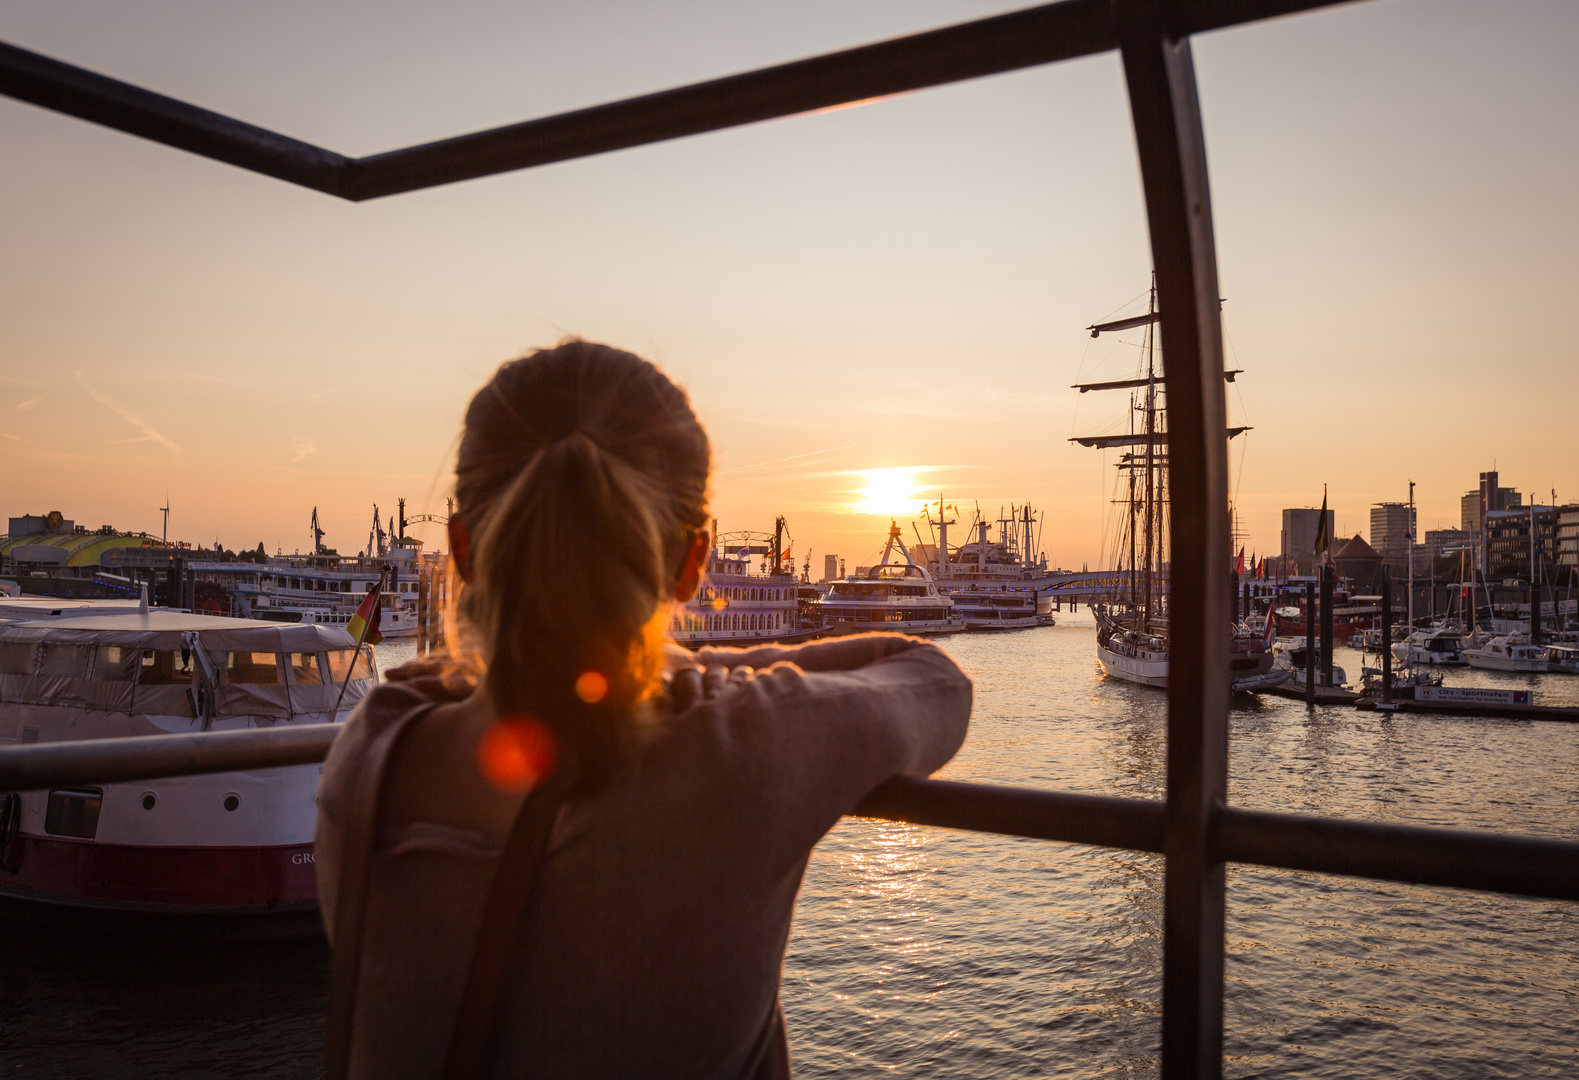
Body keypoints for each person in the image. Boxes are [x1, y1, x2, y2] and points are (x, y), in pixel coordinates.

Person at [314, 340, 972, 1079]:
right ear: (693, 564)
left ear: (462, 550)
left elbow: (467, 679)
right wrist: (701, 679)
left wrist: (670, 674)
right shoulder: (743, 748)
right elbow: (934, 680)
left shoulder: (371, 747)